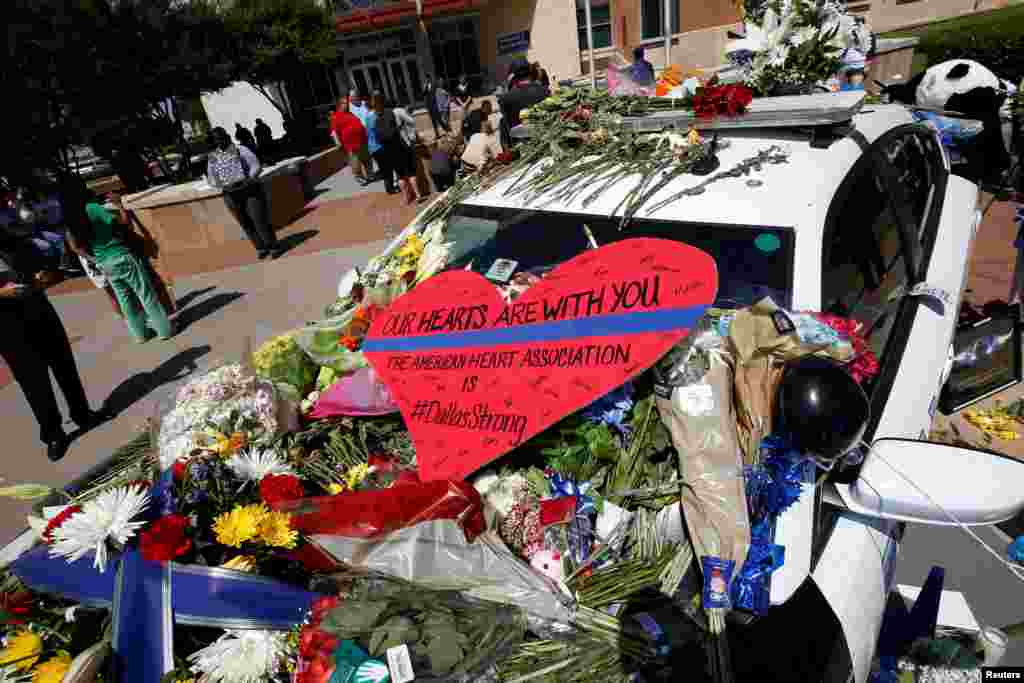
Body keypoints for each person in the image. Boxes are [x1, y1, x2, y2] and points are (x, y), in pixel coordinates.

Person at [0, 232, 109, 461]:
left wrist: (42, 274)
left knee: (65, 366)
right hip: (9, 329)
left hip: (40, 312)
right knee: (34, 383)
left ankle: (82, 414)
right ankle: (53, 434)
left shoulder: (14, 242)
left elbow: (43, 266)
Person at [65, 193, 174, 345]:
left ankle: (140, 335)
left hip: (104, 262)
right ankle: (164, 331)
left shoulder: (71, 218)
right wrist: (119, 205)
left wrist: (94, 260)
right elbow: (124, 225)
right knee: (145, 293)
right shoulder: (92, 208)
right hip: (121, 256)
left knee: (125, 299)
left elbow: (74, 246)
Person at [206, 127, 284, 259]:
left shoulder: (241, 150)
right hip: (230, 193)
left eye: (221, 138)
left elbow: (255, 165)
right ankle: (260, 247)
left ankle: (273, 246)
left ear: (227, 137)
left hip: (249, 189)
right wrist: (220, 183)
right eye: (216, 140)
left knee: (259, 219)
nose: (219, 142)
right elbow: (212, 177)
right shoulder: (213, 157)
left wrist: (250, 178)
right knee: (244, 222)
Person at [374, 93, 425, 205]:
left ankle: (407, 198)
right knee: (411, 172)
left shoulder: (377, 119)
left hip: (390, 152)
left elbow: (378, 138)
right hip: (402, 146)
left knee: (400, 176)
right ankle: (418, 195)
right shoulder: (393, 112)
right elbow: (409, 122)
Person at [331, 95, 372, 186]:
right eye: (345, 103)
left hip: (362, 140)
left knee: (367, 158)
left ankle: (370, 175)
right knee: (355, 161)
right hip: (351, 144)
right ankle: (359, 177)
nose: (347, 105)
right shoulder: (336, 116)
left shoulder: (350, 113)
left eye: (347, 103)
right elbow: (334, 132)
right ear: (340, 105)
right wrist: (338, 143)